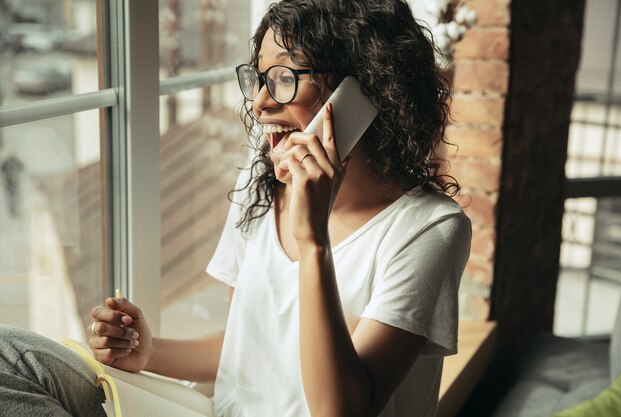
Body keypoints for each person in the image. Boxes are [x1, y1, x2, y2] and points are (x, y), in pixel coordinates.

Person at [0, 0, 471, 416]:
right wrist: (147, 353)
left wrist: (313, 244)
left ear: (366, 92)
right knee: (8, 351)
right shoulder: (261, 181)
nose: (261, 102)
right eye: (260, 78)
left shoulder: (429, 229)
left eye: (286, 77)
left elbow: (342, 409)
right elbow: (245, 345)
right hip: (216, 409)